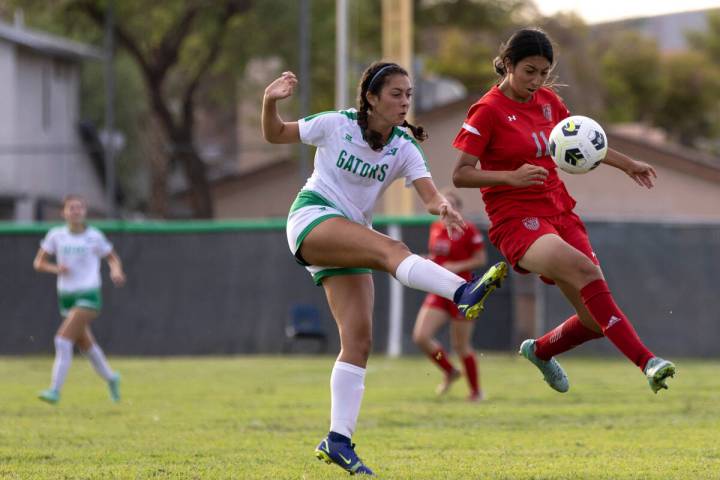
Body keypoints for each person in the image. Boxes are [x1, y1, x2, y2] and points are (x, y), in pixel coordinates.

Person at [262, 62, 508, 476]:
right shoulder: (335, 124)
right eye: (396, 93)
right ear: (371, 98)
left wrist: (443, 207)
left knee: (358, 342)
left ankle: (337, 440)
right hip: (311, 219)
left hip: (349, 236)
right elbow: (275, 134)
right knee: (390, 248)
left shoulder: (404, 146)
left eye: (409, 94)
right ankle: (463, 292)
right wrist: (269, 101)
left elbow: (429, 197)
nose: (404, 101)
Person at [451, 27, 675, 396]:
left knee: (593, 320)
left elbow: (584, 143)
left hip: (560, 210)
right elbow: (460, 175)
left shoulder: (549, 102)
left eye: (543, 73)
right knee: (587, 272)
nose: (536, 81)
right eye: (529, 71)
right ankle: (648, 362)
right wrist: (511, 177)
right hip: (516, 221)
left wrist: (627, 163)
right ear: (508, 64)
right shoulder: (488, 110)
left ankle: (540, 351)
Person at [33, 194, 126, 404]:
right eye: (71, 208)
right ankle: (112, 378)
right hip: (66, 297)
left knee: (62, 339)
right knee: (87, 346)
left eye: (79, 208)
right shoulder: (56, 235)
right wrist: (56, 268)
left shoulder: (94, 236)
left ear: (85, 212)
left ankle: (54, 391)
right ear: (63, 212)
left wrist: (116, 271)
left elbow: (112, 257)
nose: (75, 211)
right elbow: (38, 263)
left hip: (89, 295)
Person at [412, 189, 488, 402]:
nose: (446, 210)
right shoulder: (436, 227)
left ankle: (476, 391)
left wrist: (457, 266)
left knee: (460, 345)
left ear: (458, 210)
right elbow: (438, 257)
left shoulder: (469, 229)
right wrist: (424, 260)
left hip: (462, 290)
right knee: (421, 336)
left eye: (451, 206)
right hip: (438, 288)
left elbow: (480, 259)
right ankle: (449, 370)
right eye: (444, 206)